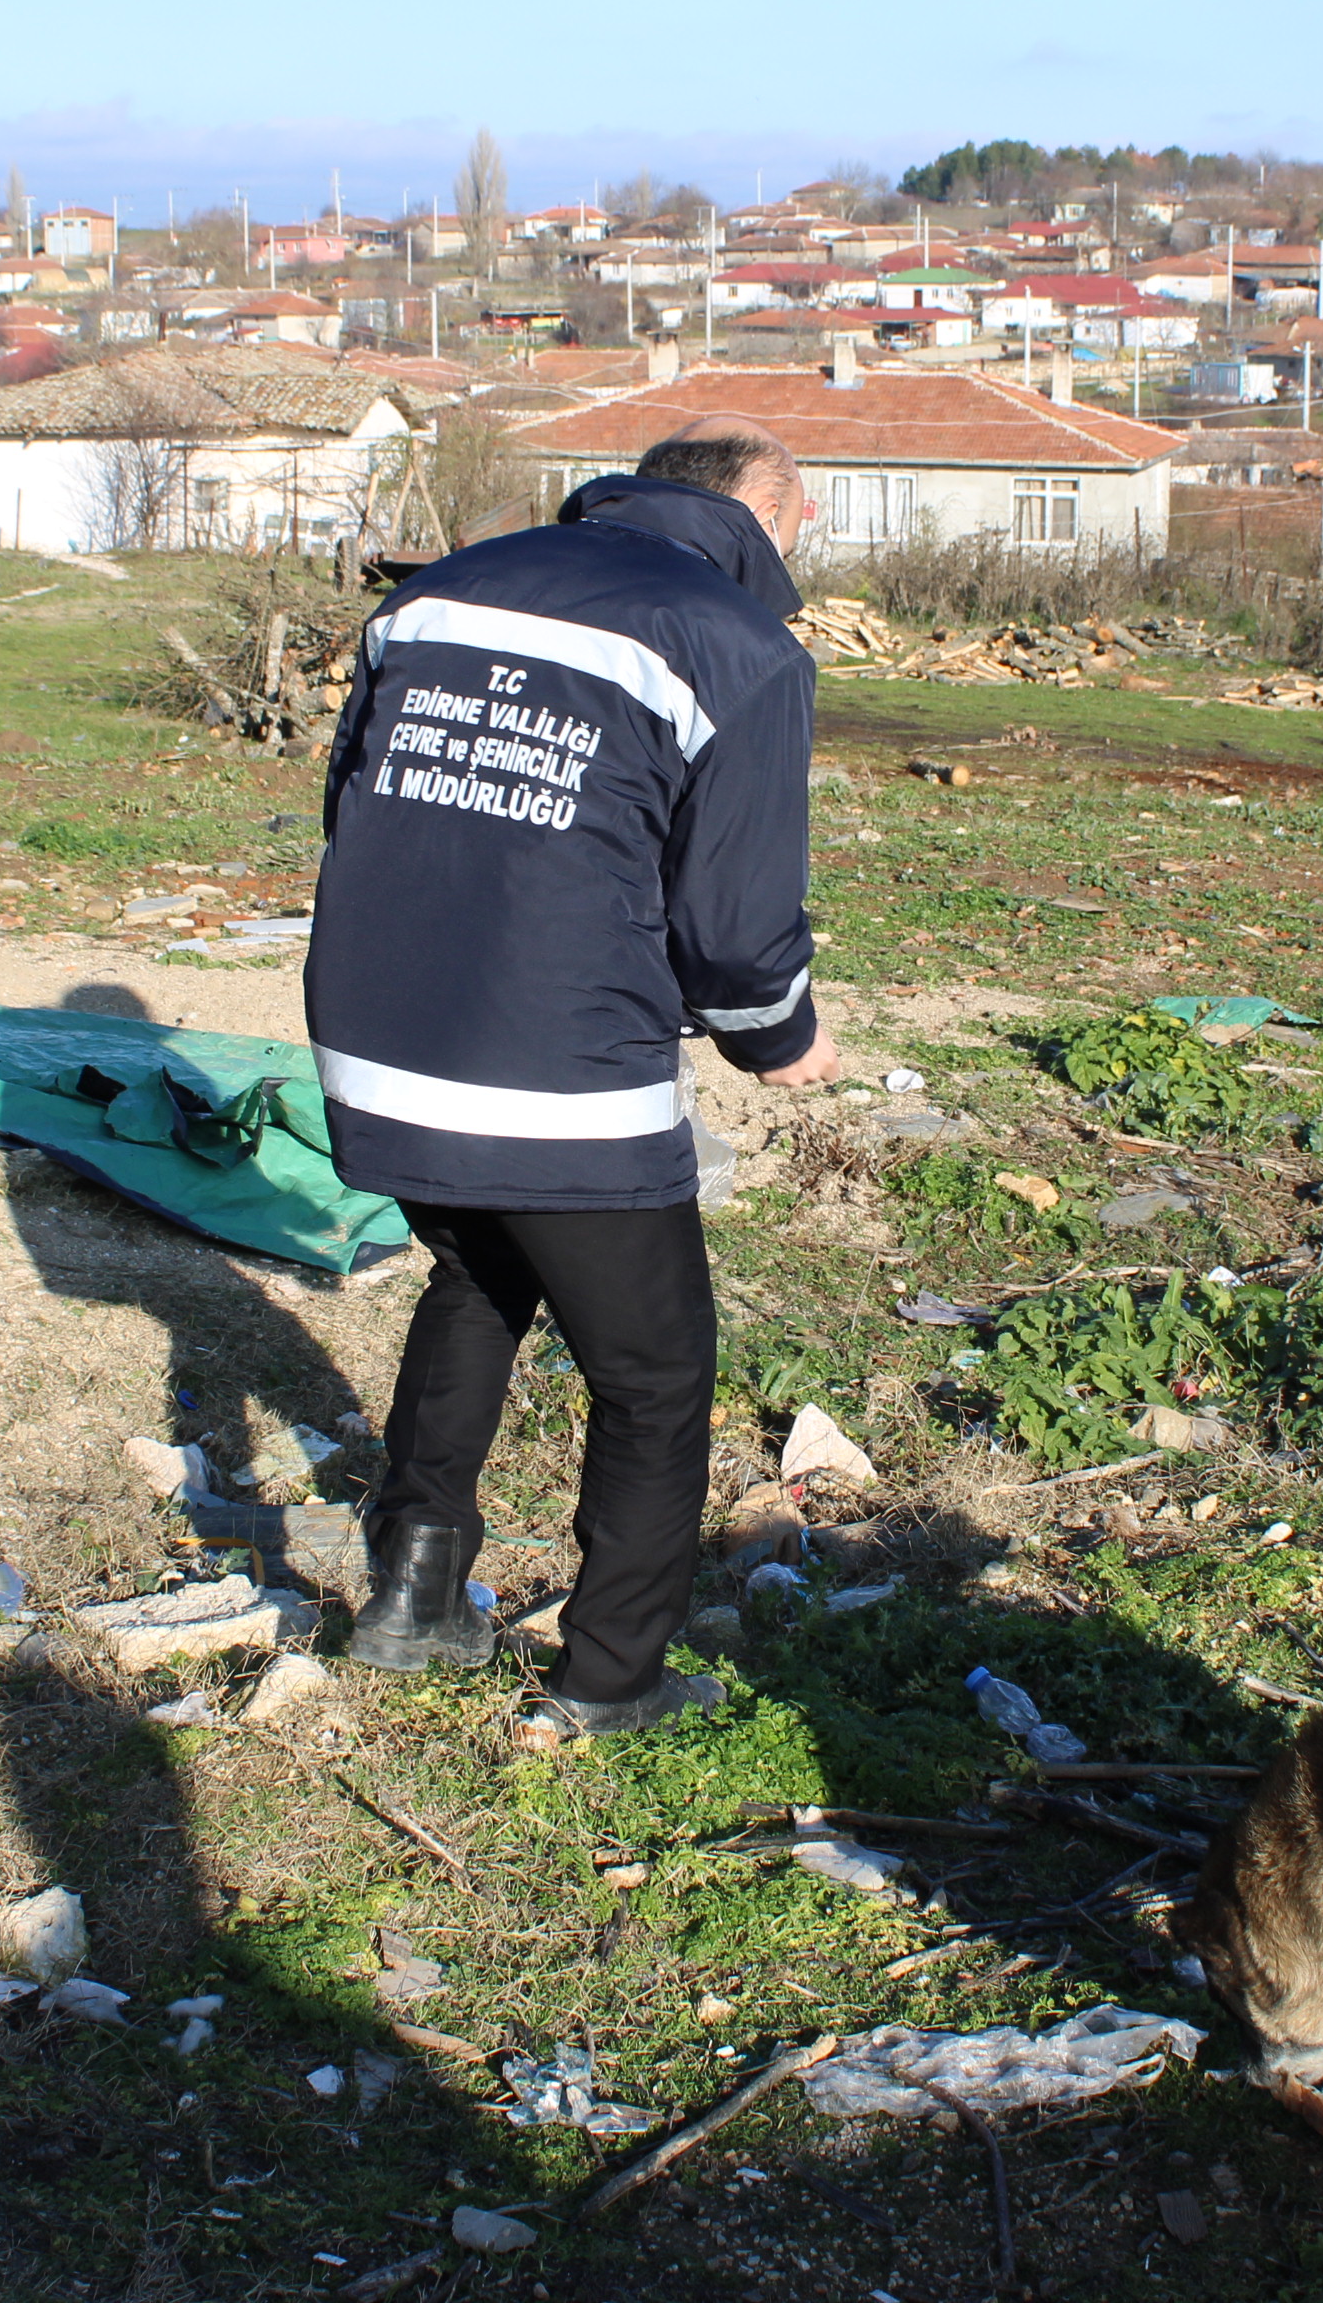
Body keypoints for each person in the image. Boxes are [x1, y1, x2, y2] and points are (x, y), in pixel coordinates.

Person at [304, 417, 841, 1739]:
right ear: (763, 519)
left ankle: (414, 1597)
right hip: (558, 1073)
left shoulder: (442, 589)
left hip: (378, 1040)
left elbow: (352, 805)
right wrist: (784, 1038)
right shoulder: (740, 647)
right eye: (806, 520)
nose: (809, 545)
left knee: (482, 1271)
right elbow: (731, 928)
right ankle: (612, 1675)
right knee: (656, 1374)